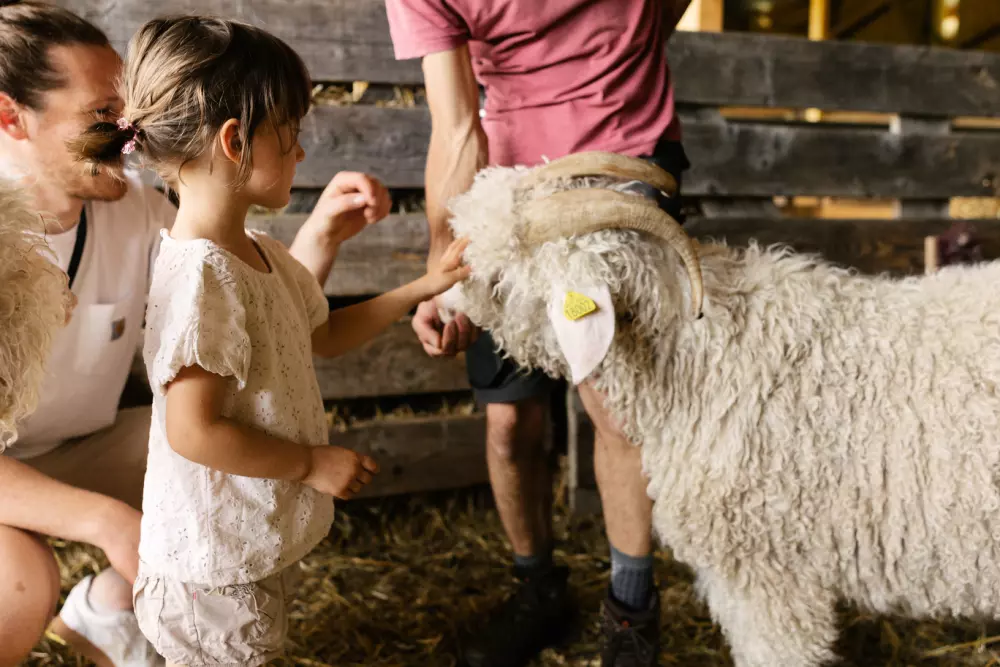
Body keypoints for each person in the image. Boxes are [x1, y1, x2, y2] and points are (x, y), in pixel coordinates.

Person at [0, 3, 393, 665]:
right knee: (20, 585)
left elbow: (253, 299)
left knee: (217, 475)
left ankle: (110, 613)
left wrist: (321, 232)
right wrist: (108, 520)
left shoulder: (136, 210)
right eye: (103, 117)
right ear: (12, 117)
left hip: (77, 449)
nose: (128, 134)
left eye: (129, 113)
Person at [72, 15, 471, 667]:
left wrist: (422, 287)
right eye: (290, 135)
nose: (301, 153)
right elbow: (192, 430)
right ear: (236, 142)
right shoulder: (203, 279)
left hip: (240, 538)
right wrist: (311, 464)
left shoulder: (258, 253)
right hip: (208, 565)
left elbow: (322, 334)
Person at [385, 1, 693, 665]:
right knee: (508, 420)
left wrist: (622, 56)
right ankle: (538, 588)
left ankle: (632, 611)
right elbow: (458, 122)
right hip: (506, 193)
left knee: (613, 407)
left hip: (622, 173)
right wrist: (448, 274)